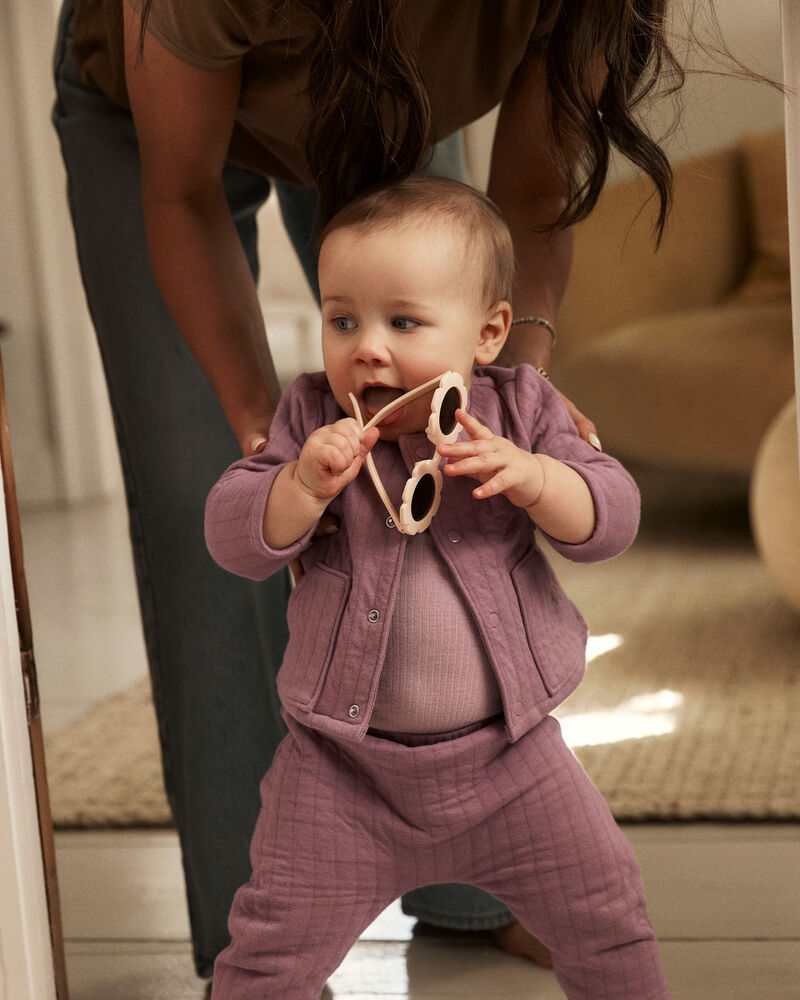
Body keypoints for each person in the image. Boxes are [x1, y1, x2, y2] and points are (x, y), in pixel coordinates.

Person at [52, 0, 685, 984]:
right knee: (198, 504)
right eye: (347, 323)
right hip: (158, 130)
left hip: (381, 75)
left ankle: (471, 891)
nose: (372, 349)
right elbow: (182, 198)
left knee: (437, 298)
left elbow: (522, 197)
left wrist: (515, 403)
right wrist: (275, 450)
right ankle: (255, 951)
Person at [203, 174, 670, 1000]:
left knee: (608, 917)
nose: (367, 347)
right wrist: (299, 490)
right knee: (270, 956)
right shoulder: (312, 419)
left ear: (488, 332)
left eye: (403, 322)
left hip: (513, 763)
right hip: (343, 775)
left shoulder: (522, 409)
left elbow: (614, 519)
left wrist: (536, 478)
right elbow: (233, 535)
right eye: (342, 319)